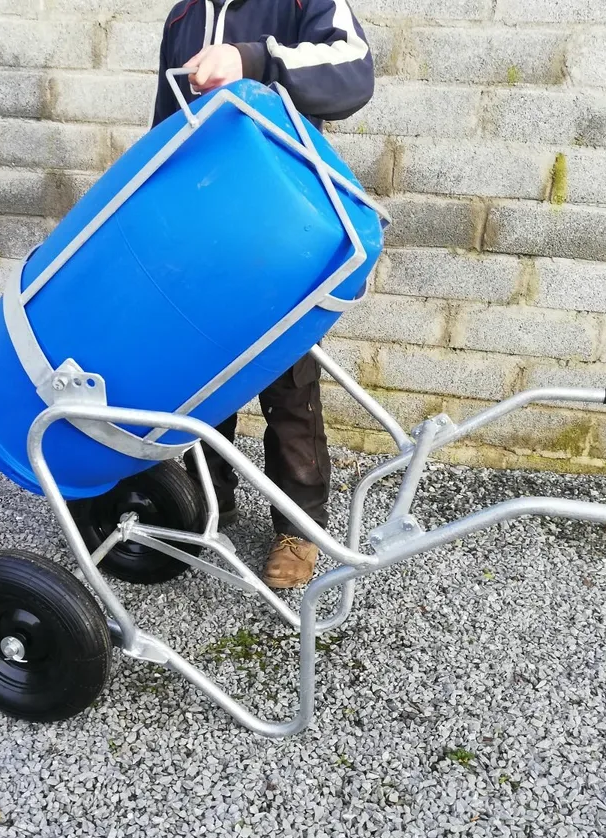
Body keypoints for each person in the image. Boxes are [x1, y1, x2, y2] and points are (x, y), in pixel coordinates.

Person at [150, 0, 377, 590]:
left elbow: (354, 74)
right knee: (205, 375)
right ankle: (206, 502)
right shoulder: (181, 20)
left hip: (281, 232)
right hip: (206, 232)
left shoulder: (305, 5)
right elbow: (165, 130)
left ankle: (299, 528)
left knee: (289, 381)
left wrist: (253, 61)